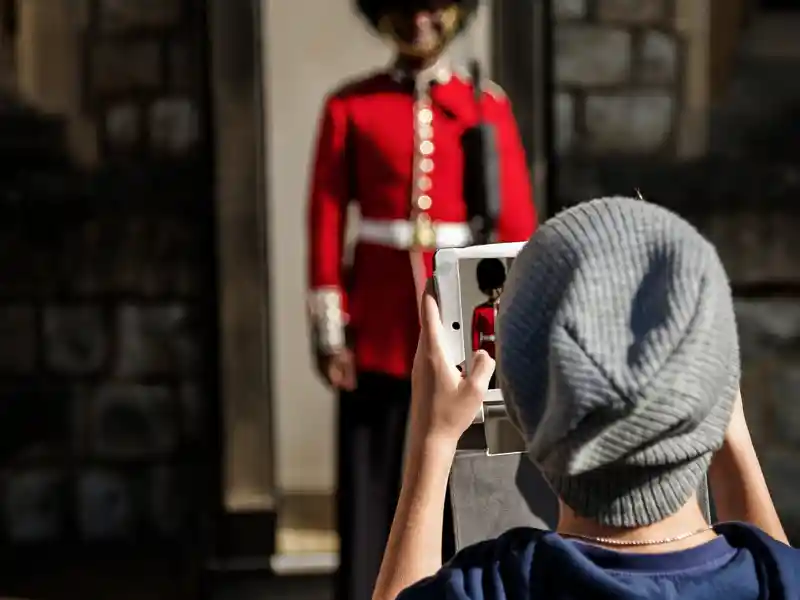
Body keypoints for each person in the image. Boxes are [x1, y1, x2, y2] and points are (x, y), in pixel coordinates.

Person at [372, 197, 798, 600]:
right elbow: (778, 570)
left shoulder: (495, 584)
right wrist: (724, 412)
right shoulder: (777, 577)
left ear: (522, 408)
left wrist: (434, 440)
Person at [306, 1, 537, 599]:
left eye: (433, 7)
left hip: (465, 319)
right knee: (372, 480)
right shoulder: (349, 106)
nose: (417, 20)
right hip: (379, 322)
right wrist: (332, 330)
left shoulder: (487, 105)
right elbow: (326, 220)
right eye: (404, 7)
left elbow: (517, 226)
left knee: (469, 478)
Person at [471, 258, 505, 388]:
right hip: (487, 351)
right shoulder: (480, 311)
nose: (493, 293)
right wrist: (476, 353)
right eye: (489, 289)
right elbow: (475, 334)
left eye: (497, 288)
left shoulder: (507, 307)